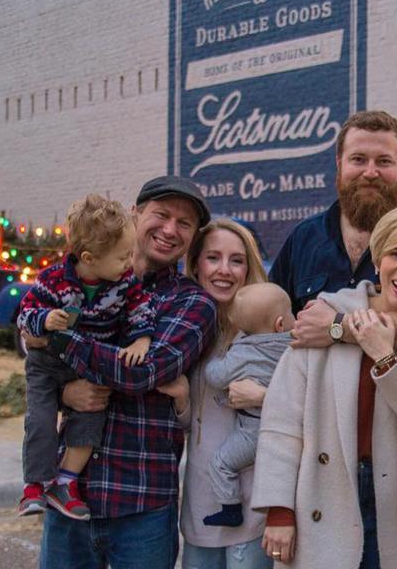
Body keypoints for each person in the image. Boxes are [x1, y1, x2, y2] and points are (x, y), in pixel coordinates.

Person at [268, 110, 397, 569]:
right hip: (318, 462)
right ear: (338, 165)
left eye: (385, 161)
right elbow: (278, 331)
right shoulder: (304, 239)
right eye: (359, 158)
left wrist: (338, 326)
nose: (371, 172)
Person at [33, 175, 216, 569]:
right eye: (161, 215)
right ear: (135, 214)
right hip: (69, 493)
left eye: (184, 224)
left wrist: (59, 341)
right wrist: (62, 388)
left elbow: (141, 373)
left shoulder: (193, 304)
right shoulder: (80, 278)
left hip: (142, 503)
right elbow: (31, 341)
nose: (170, 230)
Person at [17, 194, 155, 521]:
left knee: (92, 415)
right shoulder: (53, 281)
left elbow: (141, 310)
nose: (129, 262)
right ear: (90, 257)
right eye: (123, 256)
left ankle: (65, 482)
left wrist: (142, 339)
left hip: (86, 366)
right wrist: (45, 319)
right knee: (40, 420)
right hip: (47, 365)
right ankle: (34, 485)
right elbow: (25, 316)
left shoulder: (124, 283)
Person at [172, 217, 274, 569]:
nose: (225, 270)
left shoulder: (266, 334)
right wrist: (182, 401)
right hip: (201, 504)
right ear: (196, 264)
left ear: (249, 268)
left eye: (237, 260)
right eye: (213, 257)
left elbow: (303, 410)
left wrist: (264, 398)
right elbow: (188, 424)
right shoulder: (185, 331)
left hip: (254, 506)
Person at [203, 283, 294, 528]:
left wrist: (212, 360)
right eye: (291, 313)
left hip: (254, 432)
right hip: (288, 428)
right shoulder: (295, 347)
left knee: (221, 463)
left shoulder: (243, 353)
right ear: (280, 324)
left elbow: (216, 377)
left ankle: (230, 508)